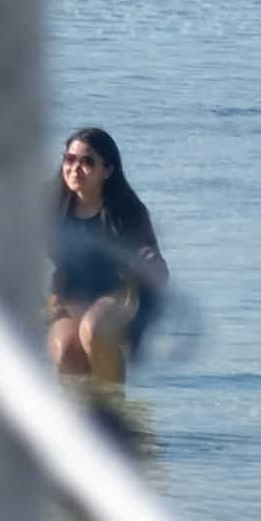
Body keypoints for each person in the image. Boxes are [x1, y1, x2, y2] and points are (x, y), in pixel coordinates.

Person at [47, 127, 170, 388]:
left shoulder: (127, 211)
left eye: (87, 161)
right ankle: (77, 416)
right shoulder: (52, 204)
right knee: (66, 348)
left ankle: (115, 408)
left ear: (108, 170)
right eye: (70, 159)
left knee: (93, 328)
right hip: (71, 290)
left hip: (122, 293)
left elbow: (160, 273)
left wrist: (149, 264)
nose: (75, 168)